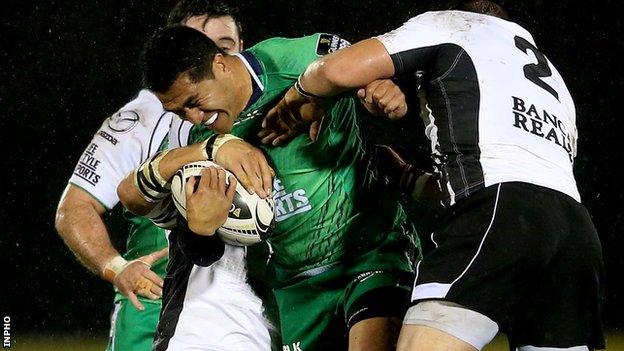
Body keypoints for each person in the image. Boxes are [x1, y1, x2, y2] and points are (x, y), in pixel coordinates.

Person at [260, 1, 606, 350]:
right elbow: (521, 186)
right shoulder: (555, 86)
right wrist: (409, 179)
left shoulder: (455, 26)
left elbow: (337, 70)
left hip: (497, 211)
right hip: (576, 233)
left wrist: (301, 95)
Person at [118, 25, 419, 351]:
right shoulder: (201, 146)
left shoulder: (297, 60)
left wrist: (378, 88)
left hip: (370, 254)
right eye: (178, 111)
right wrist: (202, 225)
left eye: (195, 101)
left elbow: (373, 61)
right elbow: (136, 200)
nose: (194, 117)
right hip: (295, 289)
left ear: (220, 64)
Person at [55, 2, 272, 351]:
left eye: (224, 46)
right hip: (154, 306)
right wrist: (116, 267)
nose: (206, 57)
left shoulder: (272, 103)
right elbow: (75, 207)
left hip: (249, 307)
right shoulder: (142, 119)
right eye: (196, 43)